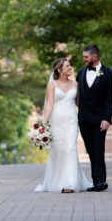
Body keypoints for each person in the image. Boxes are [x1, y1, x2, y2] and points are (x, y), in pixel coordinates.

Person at [35, 58, 92, 193]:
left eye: (70, 65)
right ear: (59, 70)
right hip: (56, 122)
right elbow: (49, 104)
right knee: (58, 151)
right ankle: (57, 181)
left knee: (71, 148)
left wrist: (91, 114)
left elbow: (79, 103)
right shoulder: (52, 85)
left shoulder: (75, 84)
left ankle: (70, 184)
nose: (70, 68)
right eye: (67, 66)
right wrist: (44, 123)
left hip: (71, 121)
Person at [76, 44, 112, 192]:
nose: (84, 59)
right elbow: (77, 95)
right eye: (83, 57)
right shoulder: (80, 73)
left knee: (98, 148)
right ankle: (96, 180)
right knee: (91, 150)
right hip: (84, 120)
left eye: (86, 57)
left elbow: (110, 99)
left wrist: (107, 118)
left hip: (100, 119)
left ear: (95, 57)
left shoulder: (108, 74)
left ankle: (100, 181)